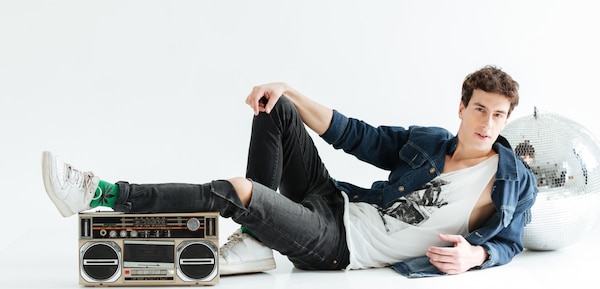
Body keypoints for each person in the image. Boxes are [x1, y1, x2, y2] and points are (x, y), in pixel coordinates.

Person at [42, 65, 537, 278]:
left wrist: (476, 257)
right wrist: (289, 89)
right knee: (277, 109)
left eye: (498, 114)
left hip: (341, 247)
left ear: (507, 117)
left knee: (242, 191)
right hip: (339, 203)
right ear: (462, 108)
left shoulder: (511, 182)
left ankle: (102, 192)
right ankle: (257, 242)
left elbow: (509, 242)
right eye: (479, 110)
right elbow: (356, 134)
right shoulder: (431, 142)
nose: (486, 123)